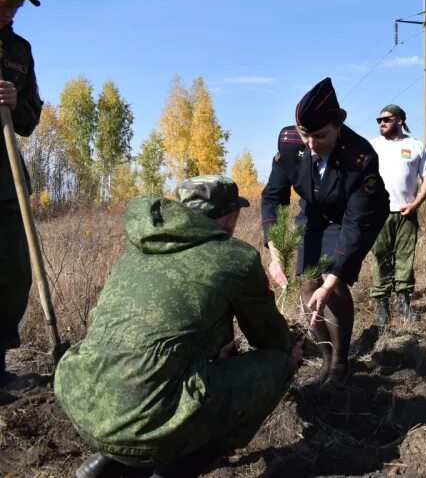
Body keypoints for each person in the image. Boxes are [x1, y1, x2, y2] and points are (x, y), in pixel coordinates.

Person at [55, 176, 302, 478]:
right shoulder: (235, 256)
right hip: (141, 420)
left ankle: (107, 463)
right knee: (278, 363)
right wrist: (292, 347)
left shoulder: (138, 249)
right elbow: (270, 338)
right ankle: (175, 469)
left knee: (151, 384)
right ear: (230, 216)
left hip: (81, 397)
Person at [262, 77, 390, 387]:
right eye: (305, 134)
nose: (310, 143)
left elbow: (357, 224)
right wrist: (276, 252)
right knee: (308, 283)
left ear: (337, 126)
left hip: (353, 215)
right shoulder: (291, 143)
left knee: (330, 284)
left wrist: (332, 281)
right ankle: (325, 357)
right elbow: (273, 197)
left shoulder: (360, 158)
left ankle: (340, 362)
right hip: (314, 213)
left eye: (319, 136)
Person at [0, 0, 42, 388]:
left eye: (18, 5)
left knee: (12, 273)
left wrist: (16, 102)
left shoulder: (20, 51)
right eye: (7, 1)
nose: (12, 11)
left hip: (6, 179)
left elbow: (30, 121)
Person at [368, 104, 426, 323]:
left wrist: (415, 204)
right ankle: (382, 309)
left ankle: (404, 305)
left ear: (399, 120)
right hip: (379, 214)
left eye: (385, 119)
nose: (381, 123)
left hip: (407, 213)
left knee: (405, 259)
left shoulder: (415, 146)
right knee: (381, 258)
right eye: (379, 120)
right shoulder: (372, 146)